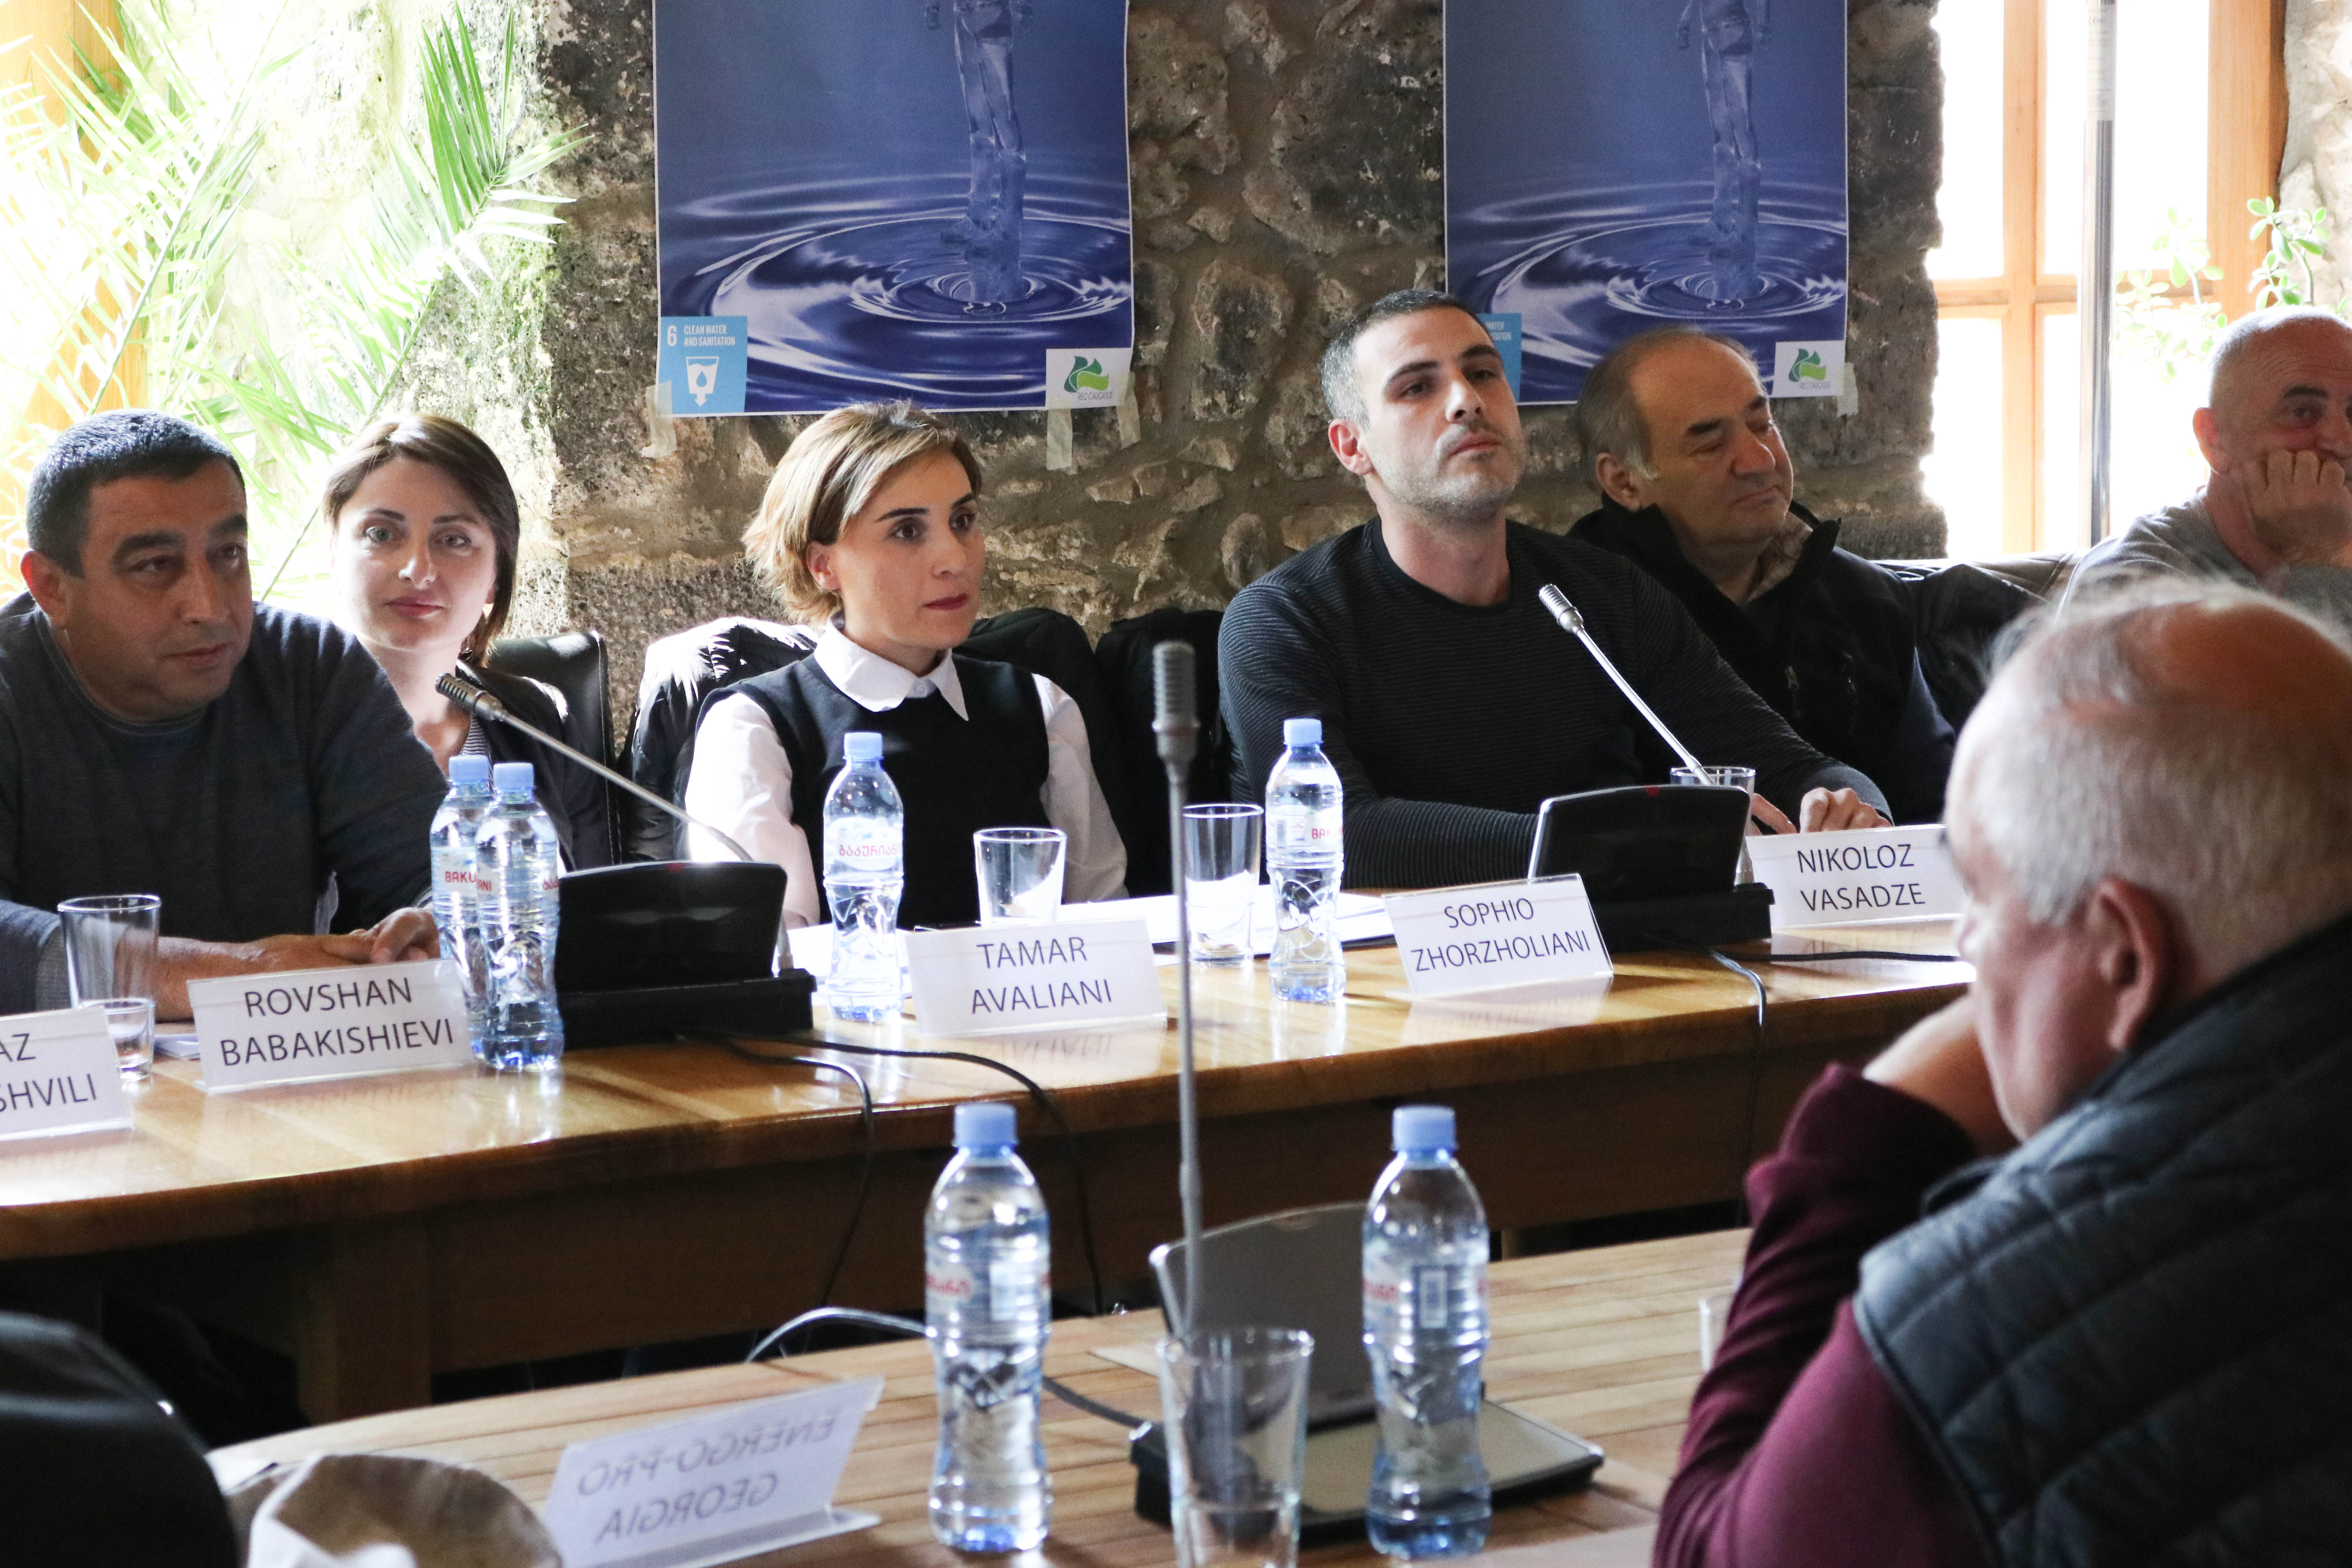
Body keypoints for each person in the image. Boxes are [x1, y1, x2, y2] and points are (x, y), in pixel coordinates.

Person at [1655, 581, 2352, 1566]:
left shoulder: (2006, 1315)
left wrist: (1858, 1142)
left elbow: (1718, 1552)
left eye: (1980, 896)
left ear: (2125, 953)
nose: (1966, 944)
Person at [1218, 290, 1887, 891]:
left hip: (1622, 958)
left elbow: (1785, 765)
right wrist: (1619, 847)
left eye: (1484, 373)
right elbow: (1337, 833)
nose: (1466, 400)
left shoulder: (1608, 594)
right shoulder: (1283, 621)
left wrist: (1853, 808)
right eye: (1417, 388)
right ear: (1351, 446)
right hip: (1397, 972)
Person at [0, 411, 443, 1017]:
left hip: (293, 1061)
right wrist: (243, 973)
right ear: (52, 587)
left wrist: (435, 925)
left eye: (228, 554)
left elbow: (433, 873)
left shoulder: (309, 668)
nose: (209, 606)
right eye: (155, 565)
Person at [682, 400, 1124, 927]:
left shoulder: (1041, 707)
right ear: (824, 565)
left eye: (962, 521)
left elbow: (1106, 924)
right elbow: (771, 957)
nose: (955, 559)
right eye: (907, 531)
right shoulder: (754, 731)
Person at [1573, 327, 1955, 822]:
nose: (1760, 460)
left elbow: (1939, 808)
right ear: (1624, 481)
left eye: (1763, 425)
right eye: (1711, 445)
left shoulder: (1865, 597)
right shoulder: (1579, 616)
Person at [323, 414, 611, 869]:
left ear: (497, 574)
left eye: (454, 539)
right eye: (382, 534)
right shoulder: (275, 734)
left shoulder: (538, 723)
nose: (418, 569)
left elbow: (595, 901)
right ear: (334, 552)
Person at [2067, 305, 2352, 627]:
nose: (2344, 441)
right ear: (2213, 438)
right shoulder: (2129, 584)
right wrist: (2317, 561)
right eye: (2301, 412)